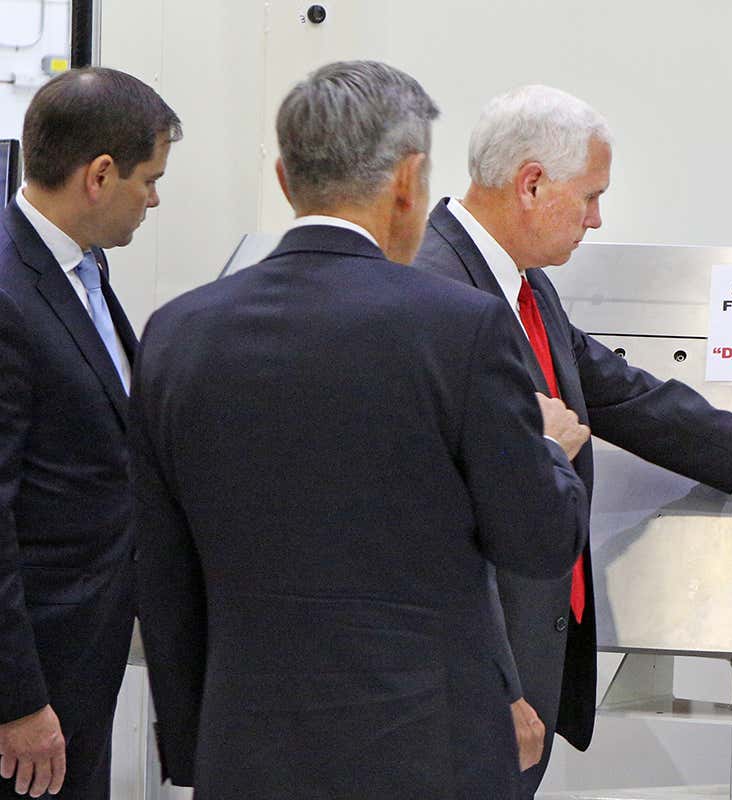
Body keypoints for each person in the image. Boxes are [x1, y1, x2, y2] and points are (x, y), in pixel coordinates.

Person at [413, 84, 732, 796]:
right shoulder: (434, 291)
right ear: (531, 184)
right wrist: (494, 687)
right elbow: (434, 527)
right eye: (590, 196)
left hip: (528, 659)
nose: (597, 218)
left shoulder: (522, 284)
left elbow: (620, 392)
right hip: (475, 684)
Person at [130, 61, 590, 799]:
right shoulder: (462, 329)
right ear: (408, 180)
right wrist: (549, 452)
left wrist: (195, 747)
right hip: (427, 755)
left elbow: (164, 573)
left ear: (284, 178)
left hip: (247, 752)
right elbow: (535, 541)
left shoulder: (177, 334)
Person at [0, 68, 180, 799]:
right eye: (150, 180)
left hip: (85, 654)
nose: (155, 200)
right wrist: (16, 700)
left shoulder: (82, 266)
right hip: (34, 681)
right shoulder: (9, 294)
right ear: (100, 176)